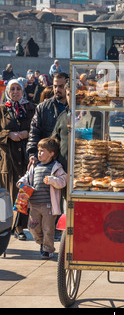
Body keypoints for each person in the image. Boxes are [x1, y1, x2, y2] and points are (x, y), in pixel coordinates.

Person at [17, 137, 67, 259]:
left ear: (51, 154)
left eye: (42, 151)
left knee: (48, 228)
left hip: (48, 205)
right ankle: (42, 243)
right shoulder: (35, 166)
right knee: (32, 227)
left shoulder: (56, 166)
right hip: (34, 204)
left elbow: (63, 181)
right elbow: (27, 177)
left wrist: (52, 180)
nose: (39, 153)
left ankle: (48, 250)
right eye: (38, 150)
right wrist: (21, 182)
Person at [0, 79, 36, 240]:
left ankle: (19, 226)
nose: (15, 92)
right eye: (12, 89)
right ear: (8, 91)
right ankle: (5, 227)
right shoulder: (2, 109)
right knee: (8, 192)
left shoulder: (30, 108)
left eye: (18, 89)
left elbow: (37, 127)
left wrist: (28, 133)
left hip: (26, 157)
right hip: (7, 158)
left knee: (23, 192)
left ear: (22, 91)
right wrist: (8, 135)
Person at [26, 72, 68, 164]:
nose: (57, 89)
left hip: (67, 159)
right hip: (48, 160)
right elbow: (34, 132)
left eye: (61, 86)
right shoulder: (43, 107)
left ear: (68, 87)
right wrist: (32, 154)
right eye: (55, 86)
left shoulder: (74, 107)